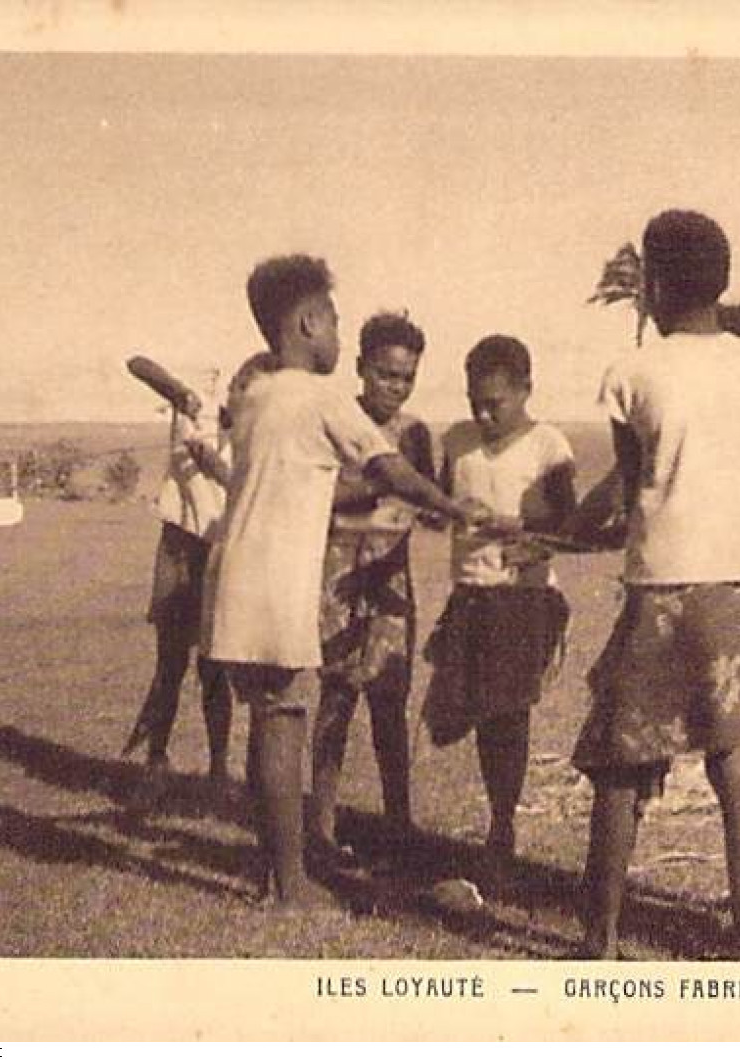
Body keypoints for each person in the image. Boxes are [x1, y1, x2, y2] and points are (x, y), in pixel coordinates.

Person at [200, 255, 486, 910]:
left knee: (267, 722)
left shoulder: (257, 395)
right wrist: (455, 507)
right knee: (284, 722)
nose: (336, 330)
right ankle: (293, 883)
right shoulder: (321, 398)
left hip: (238, 580)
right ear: (307, 321)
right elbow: (392, 473)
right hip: (276, 586)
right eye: (332, 318)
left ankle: (271, 867)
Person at [566, 210, 740, 960]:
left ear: (655, 285)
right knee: (737, 767)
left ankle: (599, 943)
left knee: (620, 769)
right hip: (737, 586)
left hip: (661, 585)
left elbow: (635, 492)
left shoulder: (633, 374)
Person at [421, 334, 576, 882]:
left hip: (523, 599)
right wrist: (447, 511)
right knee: (466, 715)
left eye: (496, 403)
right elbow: (437, 512)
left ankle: (502, 824)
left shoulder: (549, 446)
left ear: (526, 390)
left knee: (507, 715)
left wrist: (515, 528)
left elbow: (567, 525)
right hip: (469, 595)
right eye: (475, 402)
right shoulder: (456, 442)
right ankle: (497, 816)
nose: (484, 415)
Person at [308, 312, 434, 862]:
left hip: (390, 583)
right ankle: (321, 824)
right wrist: (373, 487)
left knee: (390, 704)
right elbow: (319, 498)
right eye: (385, 375)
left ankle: (399, 824)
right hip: (335, 579)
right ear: (361, 368)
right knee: (335, 700)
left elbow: (423, 504)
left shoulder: (415, 434)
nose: (396, 387)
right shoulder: (334, 422)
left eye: (406, 378)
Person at [123, 370, 234, 798]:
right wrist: (180, 392)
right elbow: (138, 363)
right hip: (178, 549)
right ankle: (156, 761)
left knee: (215, 668)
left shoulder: (251, 437)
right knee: (170, 664)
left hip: (216, 553)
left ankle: (220, 770)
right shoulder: (191, 416)